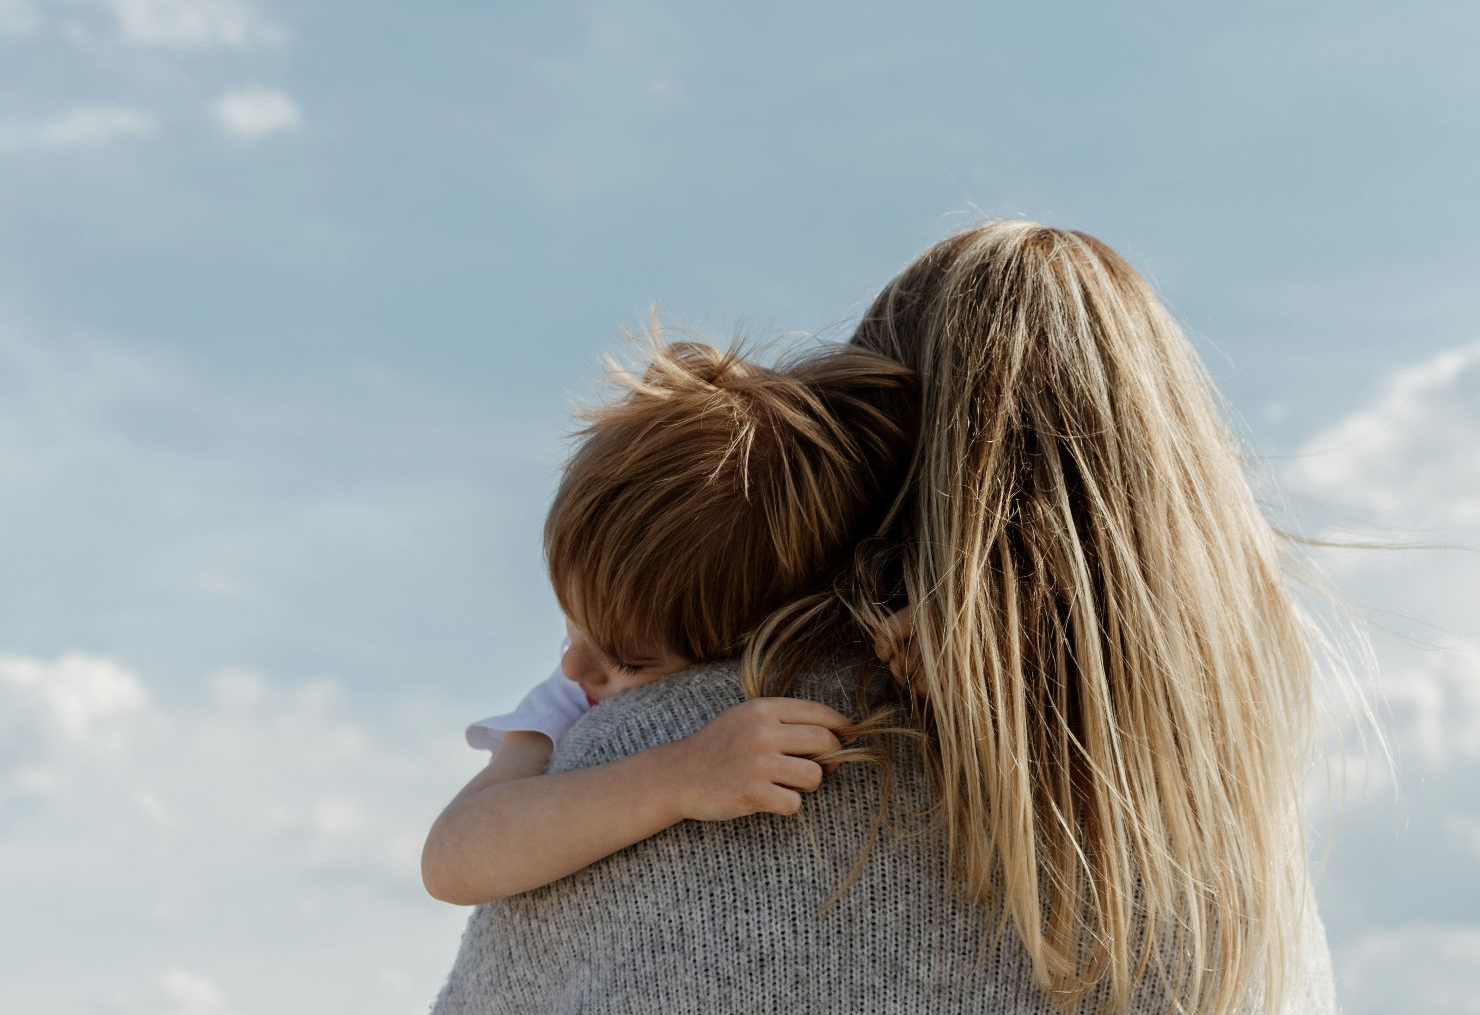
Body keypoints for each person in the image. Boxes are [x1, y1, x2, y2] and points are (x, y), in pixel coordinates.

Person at [432, 220, 1351, 1014]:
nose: (579, 669)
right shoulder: (1234, 846)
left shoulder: (668, 750)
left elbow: (466, 862)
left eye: (622, 650)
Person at [420, 336, 915, 907]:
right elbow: (453, 860)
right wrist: (677, 777)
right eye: (571, 622)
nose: (572, 664)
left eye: (627, 658)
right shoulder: (567, 703)